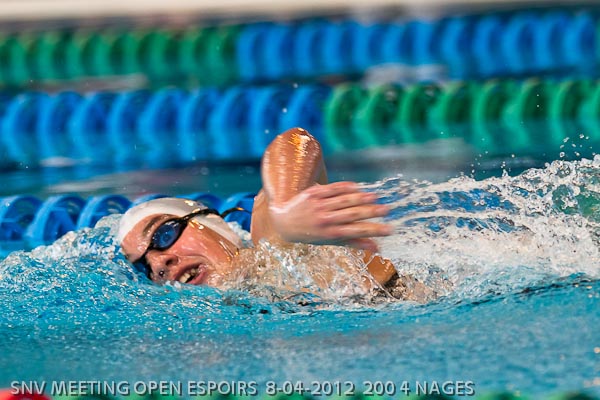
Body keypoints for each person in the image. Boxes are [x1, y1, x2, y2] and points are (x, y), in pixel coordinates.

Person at [118, 127, 433, 301]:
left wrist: (286, 208)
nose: (159, 263)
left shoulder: (272, 248)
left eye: (164, 235)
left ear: (212, 224)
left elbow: (295, 141)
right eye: (144, 266)